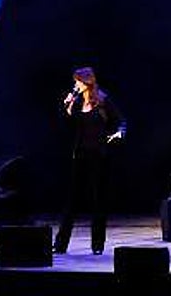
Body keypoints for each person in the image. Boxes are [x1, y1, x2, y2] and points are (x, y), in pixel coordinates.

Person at [54, 66, 126, 256]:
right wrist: (67, 107)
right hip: (80, 156)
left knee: (98, 201)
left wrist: (118, 134)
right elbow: (67, 125)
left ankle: (97, 244)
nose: (75, 84)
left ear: (87, 82)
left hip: (99, 157)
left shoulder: (102, 100)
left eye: (78, 81)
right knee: (71, 201)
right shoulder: (77, 102)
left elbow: (120, 121)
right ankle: (60, 244)